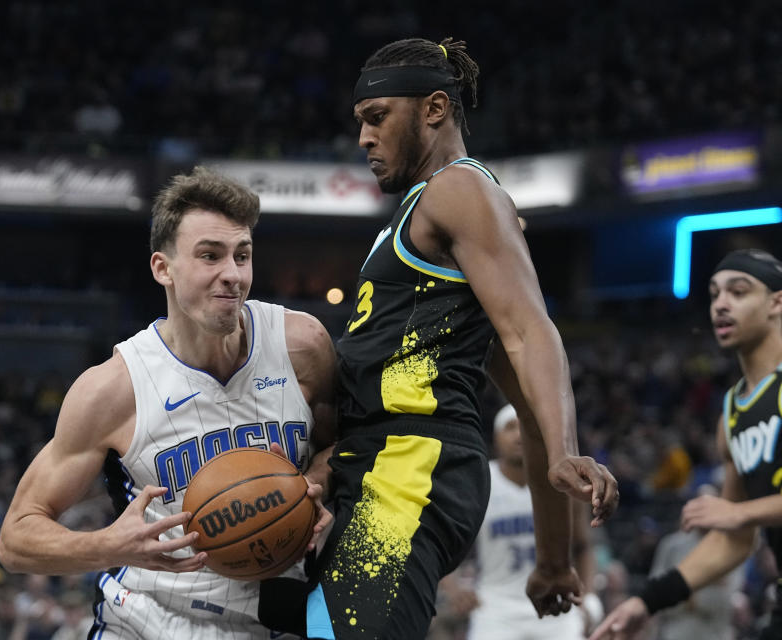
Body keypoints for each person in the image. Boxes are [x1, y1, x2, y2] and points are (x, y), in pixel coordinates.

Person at [290, 37, 619, 640]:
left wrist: (569, 445)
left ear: (435, 109)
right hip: (382, 469)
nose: (363, 137)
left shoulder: (459, 190)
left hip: (410, 470)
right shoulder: (425, 229)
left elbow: (529, 329)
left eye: (376, 118)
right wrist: (552, 563)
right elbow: (525, 401)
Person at [0, 166, 337, 639]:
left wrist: (317, 481)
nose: (232, 275)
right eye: (210, 256)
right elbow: (16, 538)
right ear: (163, 268)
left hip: (273, 619)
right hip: (146, 619)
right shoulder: (115, 387)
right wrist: (110, 546)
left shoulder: (302, 345)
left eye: (243, 255)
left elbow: (348, 448)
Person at [590, 248, 782, 640]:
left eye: (739, 291)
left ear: (777, 302)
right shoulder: (732, 411)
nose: (721, 305)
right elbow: (733, 542)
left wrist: (740, 513)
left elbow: (736, 520)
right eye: (714, 294)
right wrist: (647, 600)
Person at [430, 404, 604, 640]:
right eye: (510, 428)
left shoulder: (563, 480)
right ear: (495, 438)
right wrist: (453, 589)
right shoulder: (480, 480)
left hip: (557, 604)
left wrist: (590, 598)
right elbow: (442, 540)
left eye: (524, 428)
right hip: (495, 607)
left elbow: (583, 546)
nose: (519, 435)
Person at [648, 484, 745, 640]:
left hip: (714, 632)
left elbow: (725, 600)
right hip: (676, 631)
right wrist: (705, 587)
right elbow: (656, 590)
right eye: (700, 505)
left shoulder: (730, 547)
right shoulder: (672, 545)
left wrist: (684, 592)